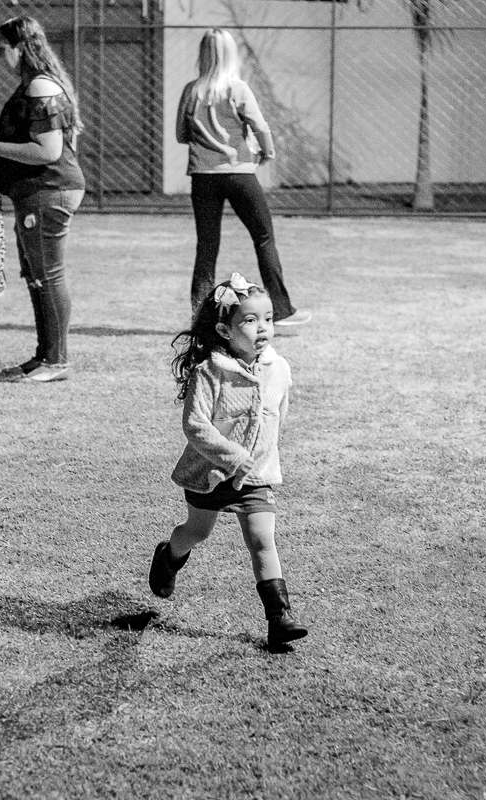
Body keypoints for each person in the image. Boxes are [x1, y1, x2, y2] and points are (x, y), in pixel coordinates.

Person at [148, 273, 308, 650]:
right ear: (223, 328)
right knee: (197, 532)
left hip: (255, 477)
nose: (263, 327)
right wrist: (234, 455)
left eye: (267, 318)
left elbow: (276, 418)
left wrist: (263, 462)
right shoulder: (210, 372)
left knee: (262, 540)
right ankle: (169, 555)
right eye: (250, 320)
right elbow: (194, 425)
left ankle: (279, 618)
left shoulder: (279, 369)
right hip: (210, 474)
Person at [175, 29, 311, 326]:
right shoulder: (238, 89)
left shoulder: (191, 91)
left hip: (203, 176)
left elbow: (181, 135)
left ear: (203, 54)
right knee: (263, 238)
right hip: (239, 174)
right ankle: (282, 309)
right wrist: (267, 152)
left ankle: (201, 318)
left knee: (207, 247)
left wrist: (206, 136)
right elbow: (260, 126)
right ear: (230, 54)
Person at [0, 16, 86, 383]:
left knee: (48, 276)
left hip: (49, 189)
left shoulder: (41, 87)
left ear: (20, 47)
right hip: (35, 192)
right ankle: (44, 356)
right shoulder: (33, 86)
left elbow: (48, 150)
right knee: (37, 277)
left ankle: (57, 361)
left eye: (2, 48)